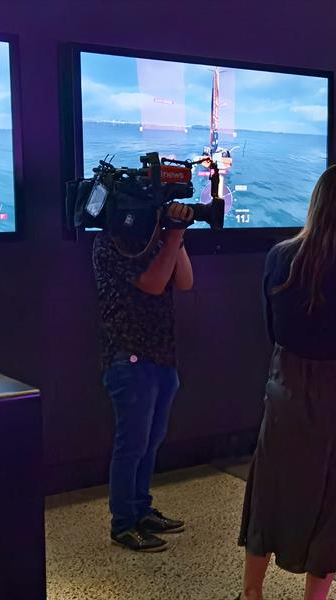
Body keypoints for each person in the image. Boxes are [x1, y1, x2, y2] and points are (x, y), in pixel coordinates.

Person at [238, 165, 336, 600]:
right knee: (334, 501)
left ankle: (251, 593)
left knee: (269, 491)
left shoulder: (279, 256)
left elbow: (272, 329)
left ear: (316, 204)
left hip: (286, 387)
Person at [92, 202, 194, 552]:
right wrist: (174, 235)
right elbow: (152, 283)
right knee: (132, 444)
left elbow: (184, 280)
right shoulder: (111, 243)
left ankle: (141, 509)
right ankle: (123, 523)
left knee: (151, 441)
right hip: (128, 356)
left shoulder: (157, 241)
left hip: (162, 354)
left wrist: (172, 238)